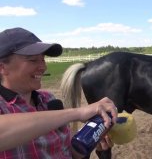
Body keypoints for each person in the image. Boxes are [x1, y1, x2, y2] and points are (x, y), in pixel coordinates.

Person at [0, 27, 117, 158]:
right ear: (2, 67)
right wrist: (77, 112)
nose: (43, 67)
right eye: (33, 60)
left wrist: (89, 141)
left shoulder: (48, 100)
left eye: (43, 59)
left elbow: (66, 151)